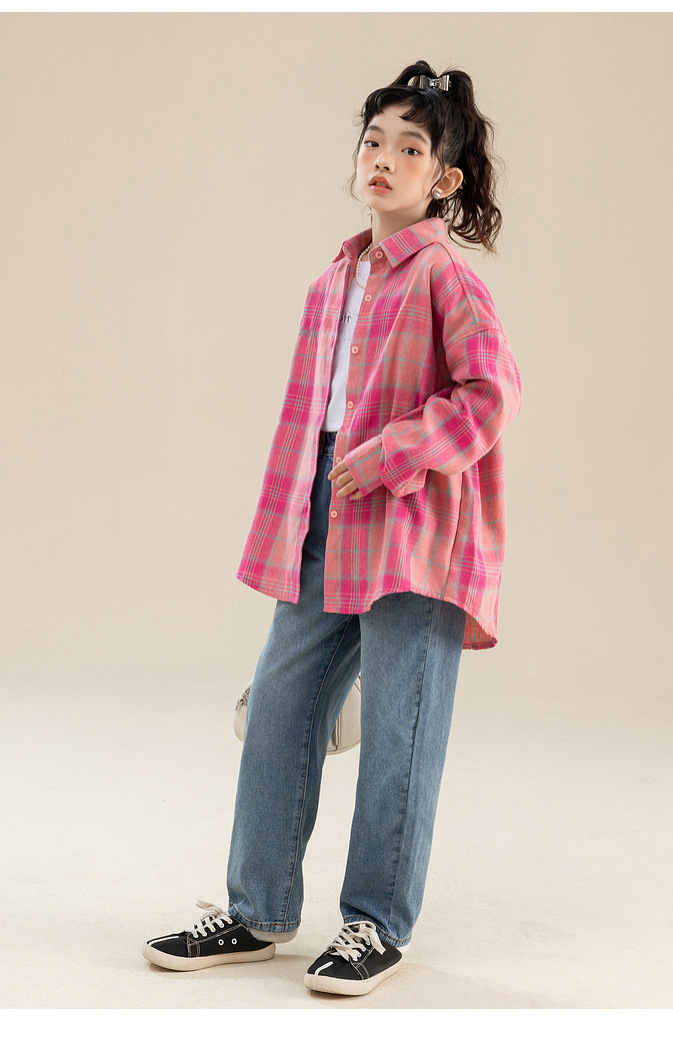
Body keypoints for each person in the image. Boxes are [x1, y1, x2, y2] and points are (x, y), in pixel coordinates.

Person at [142, 59, 522, 997]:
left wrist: (394, 451)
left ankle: (375, 925)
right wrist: (298, 505)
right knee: (280, 705)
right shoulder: (333, 281)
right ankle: (259, 909)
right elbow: (313, 418)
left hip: (414, 529)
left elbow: (491, 394)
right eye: (373, 141)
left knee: (400, 726)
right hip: (325, 520)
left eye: (410, 148)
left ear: (445, 178)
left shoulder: (445, 277)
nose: (382, 159)